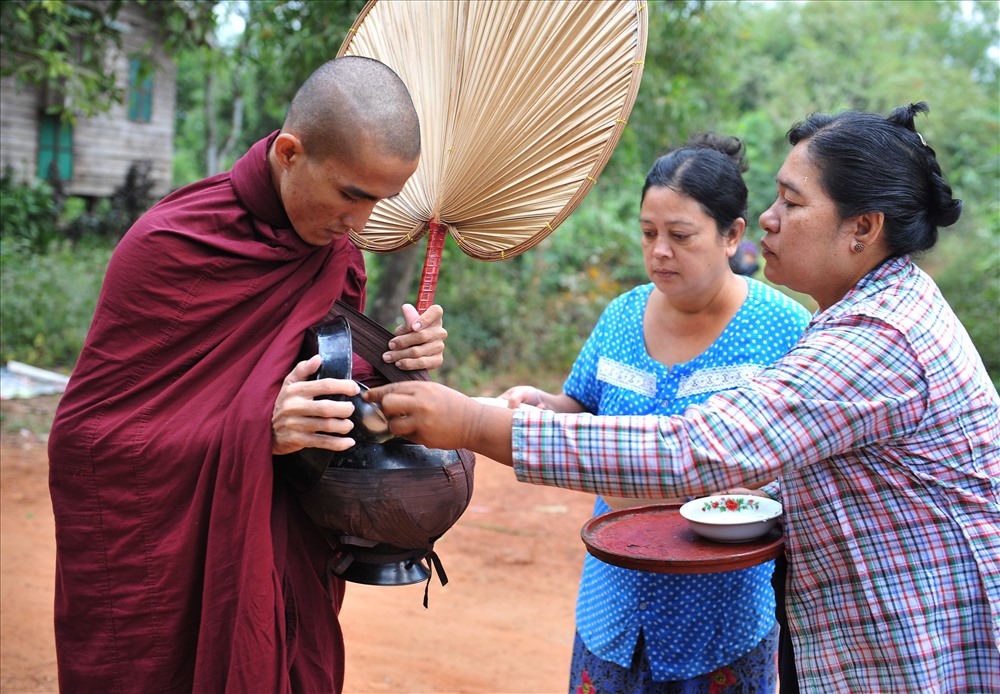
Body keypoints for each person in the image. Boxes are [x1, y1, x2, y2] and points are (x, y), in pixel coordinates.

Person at [366, 102, 1000, 692]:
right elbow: (591, 407)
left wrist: (474, 424)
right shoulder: (856, 316)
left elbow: (702, 450)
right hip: (823, 626)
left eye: (792, 202)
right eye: (649, 233)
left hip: (911, 645)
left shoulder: (874, 337)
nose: (772, 220)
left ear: (862, 227)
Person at [47, 56, 447, 693]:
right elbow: (90, 441)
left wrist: (396, 367)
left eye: (382, 201)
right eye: (352, 194)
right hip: (168, 572)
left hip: (277, 549)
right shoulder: (170, 245)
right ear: (291, 152)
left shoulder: (336, 255)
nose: (362, 223)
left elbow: (335, 393)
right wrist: (257, 432)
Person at [499, 133, 810, 693]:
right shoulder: (622, 315)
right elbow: (581, 405)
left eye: (680, 235)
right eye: (648, 233)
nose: (659, 252)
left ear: (731, 235)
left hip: (722, 615)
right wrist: (539, 404)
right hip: (611, 601)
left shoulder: (784, 328)